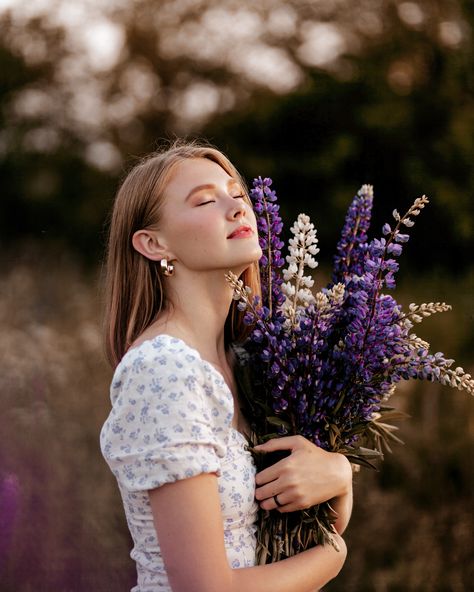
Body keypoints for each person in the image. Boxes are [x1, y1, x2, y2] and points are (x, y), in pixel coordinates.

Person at [100, 140, 353, 592]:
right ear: (154, 243)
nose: (237, 208)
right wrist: (333, 558)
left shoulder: (252, 358)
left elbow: (298, 530)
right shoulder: (164, 369)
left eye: (237, 195)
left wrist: (338, 474)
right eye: (204, 200)